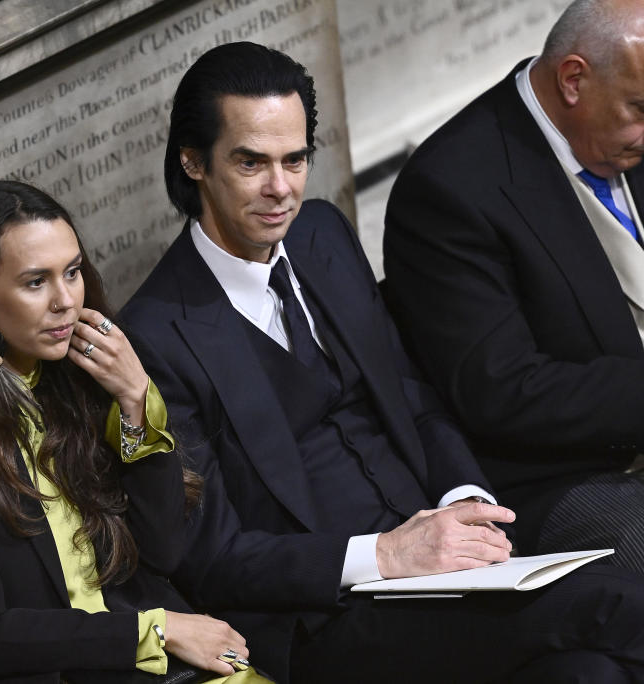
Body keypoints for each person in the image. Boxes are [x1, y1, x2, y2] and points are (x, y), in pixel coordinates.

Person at [119, 40, 644, 684]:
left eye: (295, 159)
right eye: (251, 163)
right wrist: (386, 555)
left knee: (590, 674)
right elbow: (212, 555)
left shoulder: (322, 235)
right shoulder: (154, 333)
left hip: (452, 563)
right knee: (617, 604)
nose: (279, 189)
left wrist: (466, 500)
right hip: (330, 614)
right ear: (193, 163)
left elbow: (413, 396)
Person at [0, 180, 270, 683]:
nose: (66, 300)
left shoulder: (86, 375)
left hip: (172, 662)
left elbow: (165, 551)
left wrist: (135, 402)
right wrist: (153, 632)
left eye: (73, 272)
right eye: (36, 282)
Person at [383, 0, 644, 564]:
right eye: (639, 107)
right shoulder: (451, 188)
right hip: (567, 476)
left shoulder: (624, 133)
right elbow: (503, 390)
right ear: (573, 80)